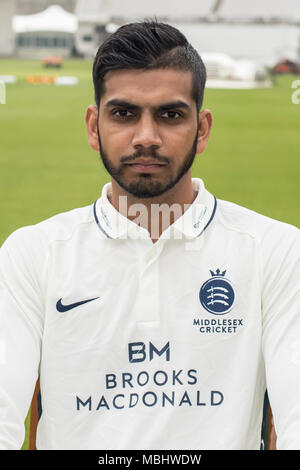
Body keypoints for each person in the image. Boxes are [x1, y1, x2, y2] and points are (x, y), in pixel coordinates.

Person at [0, 20, 299, 451]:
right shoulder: (34, 254)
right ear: (92, 126)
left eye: (170, 115)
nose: (146, 137)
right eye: (123, 113)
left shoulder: (275, 251)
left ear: (203, 129)